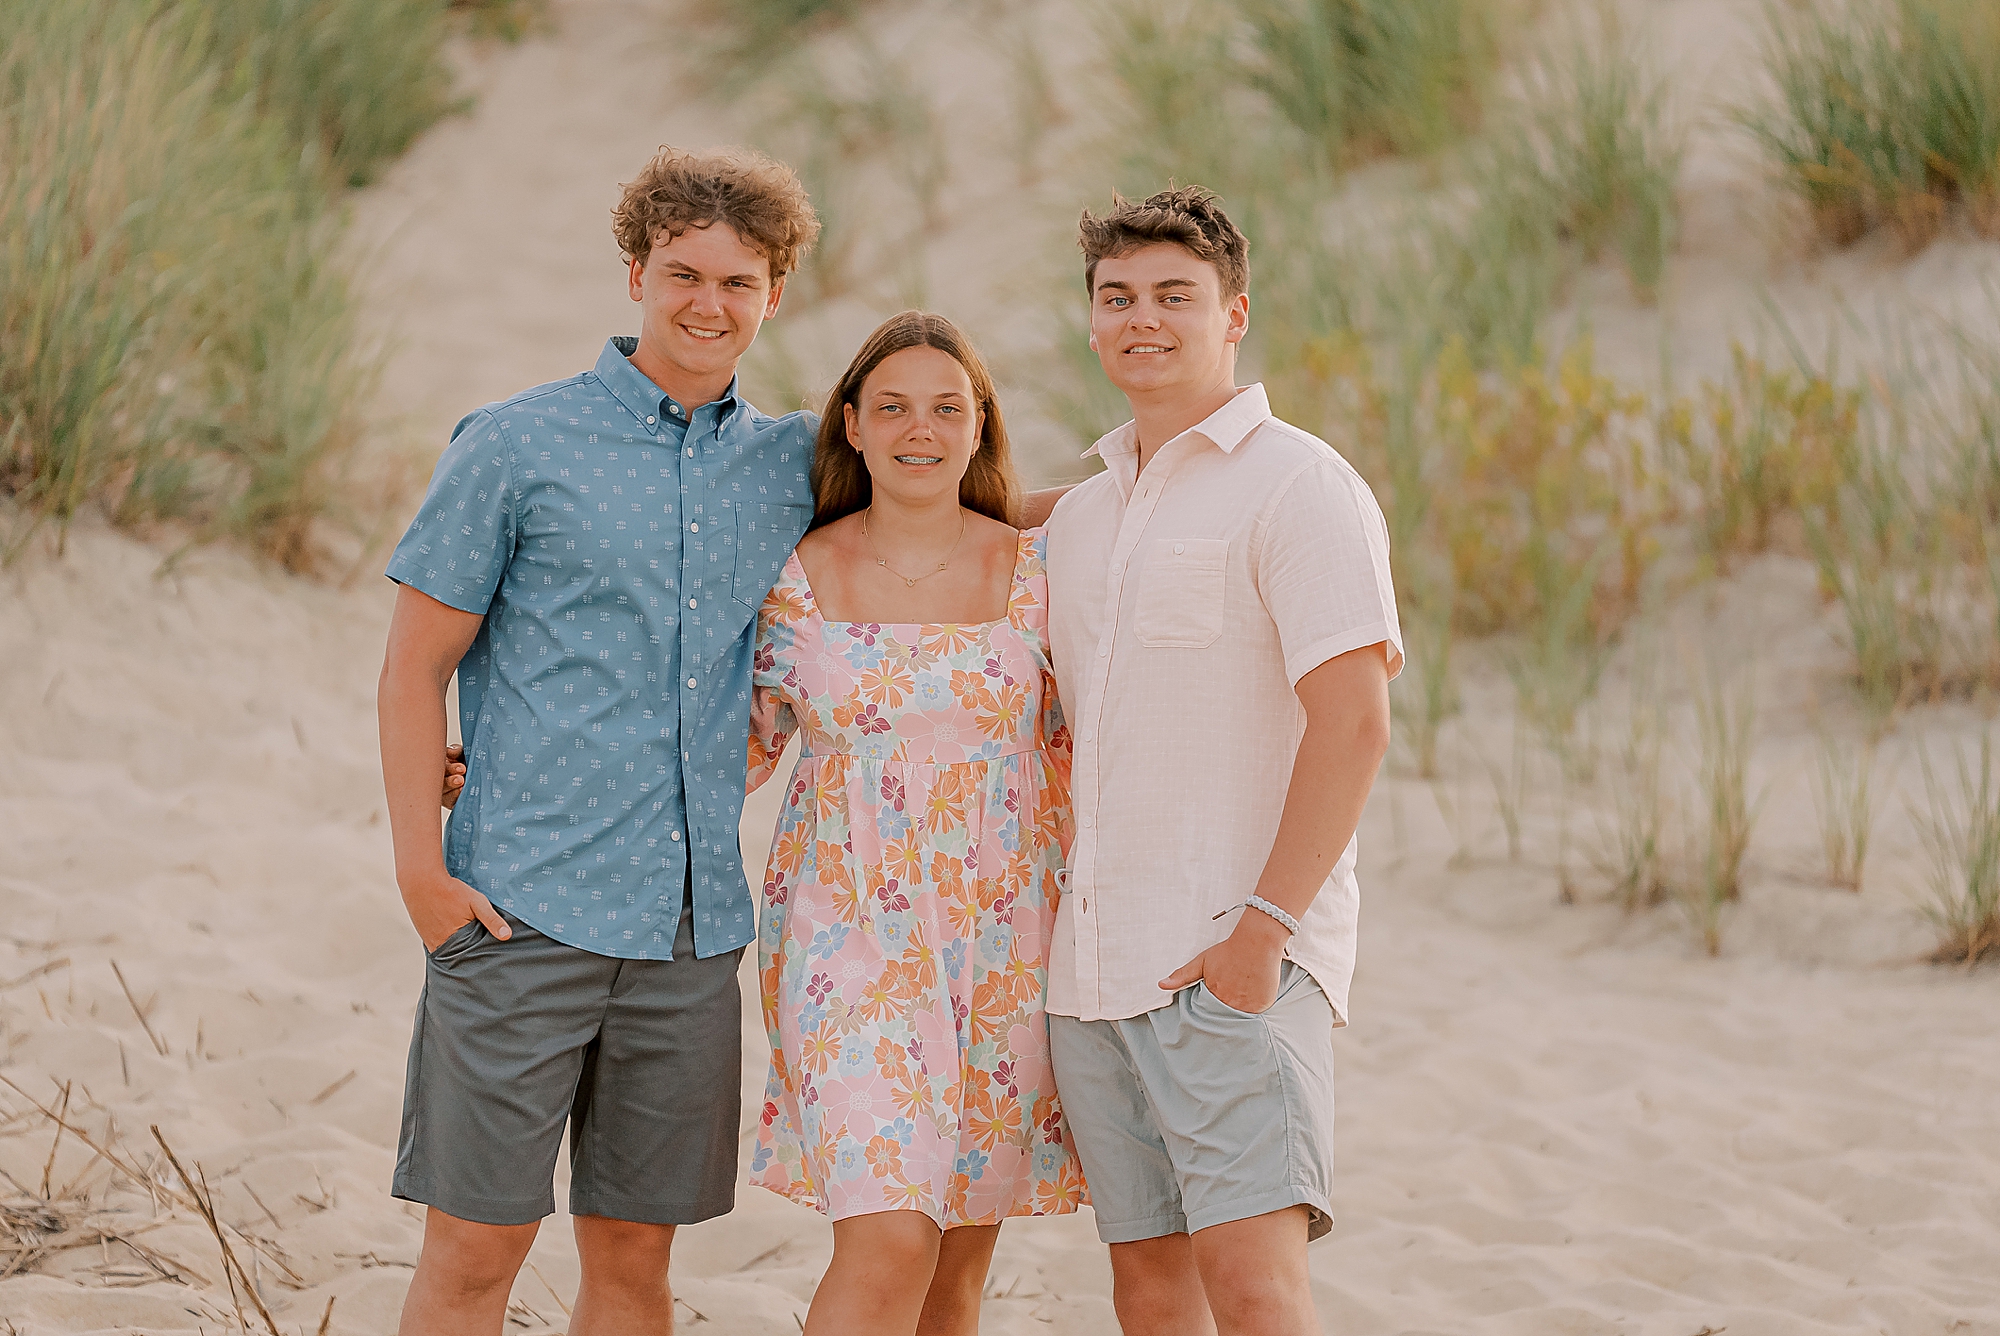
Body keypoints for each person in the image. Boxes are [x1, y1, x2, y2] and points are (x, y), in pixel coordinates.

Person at [376, 145, 822, 1336]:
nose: (707, 304)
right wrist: (421, 871)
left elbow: (959, 489)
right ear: (634, 271)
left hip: (686, 939)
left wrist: (1133, 477)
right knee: (475, 1252)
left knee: (633, 1265)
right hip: (516, 910)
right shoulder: (516, 445)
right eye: (683, 273)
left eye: (737, 282)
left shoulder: (792, 462)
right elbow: (414, 664)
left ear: (773, 293)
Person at [1041, 186, 1402, 1336]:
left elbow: (1352, 722)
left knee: (1253, 1293)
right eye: (1116, 297)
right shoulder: (1090, 512)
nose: (1141, 319)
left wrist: (1261, 932)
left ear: (1232, 314)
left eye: (1172, 297)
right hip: (1096, 970)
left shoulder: (1298, 484)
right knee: (1148, 1292)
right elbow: (950, 513)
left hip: (1230, 957)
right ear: (1091, 319)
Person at [743, 310, 1084, 1335]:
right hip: (844, 938)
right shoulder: (793, 580)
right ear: (850, 424)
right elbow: (723, 754)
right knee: (889, 1238)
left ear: (980, 426)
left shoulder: (1038, 574)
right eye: (890, 406)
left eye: (946, 407)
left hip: (1005, 946)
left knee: (952, 1274)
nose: (918, 428)